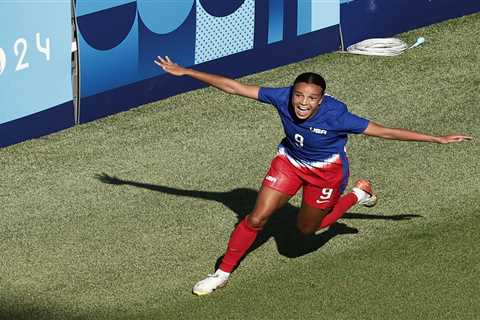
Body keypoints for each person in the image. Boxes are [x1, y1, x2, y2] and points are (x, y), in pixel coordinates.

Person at [154, 56, 471, 296]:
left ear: (321, 99)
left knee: (306, 231)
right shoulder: (281, 97)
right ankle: (222, 274)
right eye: (299, 96)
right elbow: (234, 87)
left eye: (311, 98)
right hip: (289, 163)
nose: (303, 103)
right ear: (293, 92)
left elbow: (385, 132)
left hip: (326, 174)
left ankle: (357, 194)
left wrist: (437, 138)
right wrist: (187, 72)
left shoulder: (338, 116)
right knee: (255, 219)